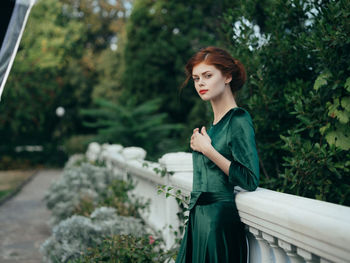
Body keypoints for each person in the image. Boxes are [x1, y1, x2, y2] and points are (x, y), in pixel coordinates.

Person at [175, 46, 260, 263]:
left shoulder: (238, 119)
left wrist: (208, 150)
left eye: (207, 75)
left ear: (227, 76)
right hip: (198, 222)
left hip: (219, 224)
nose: (200, 83)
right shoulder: (212, 128)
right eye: (196, 78)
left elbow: (249, 179)